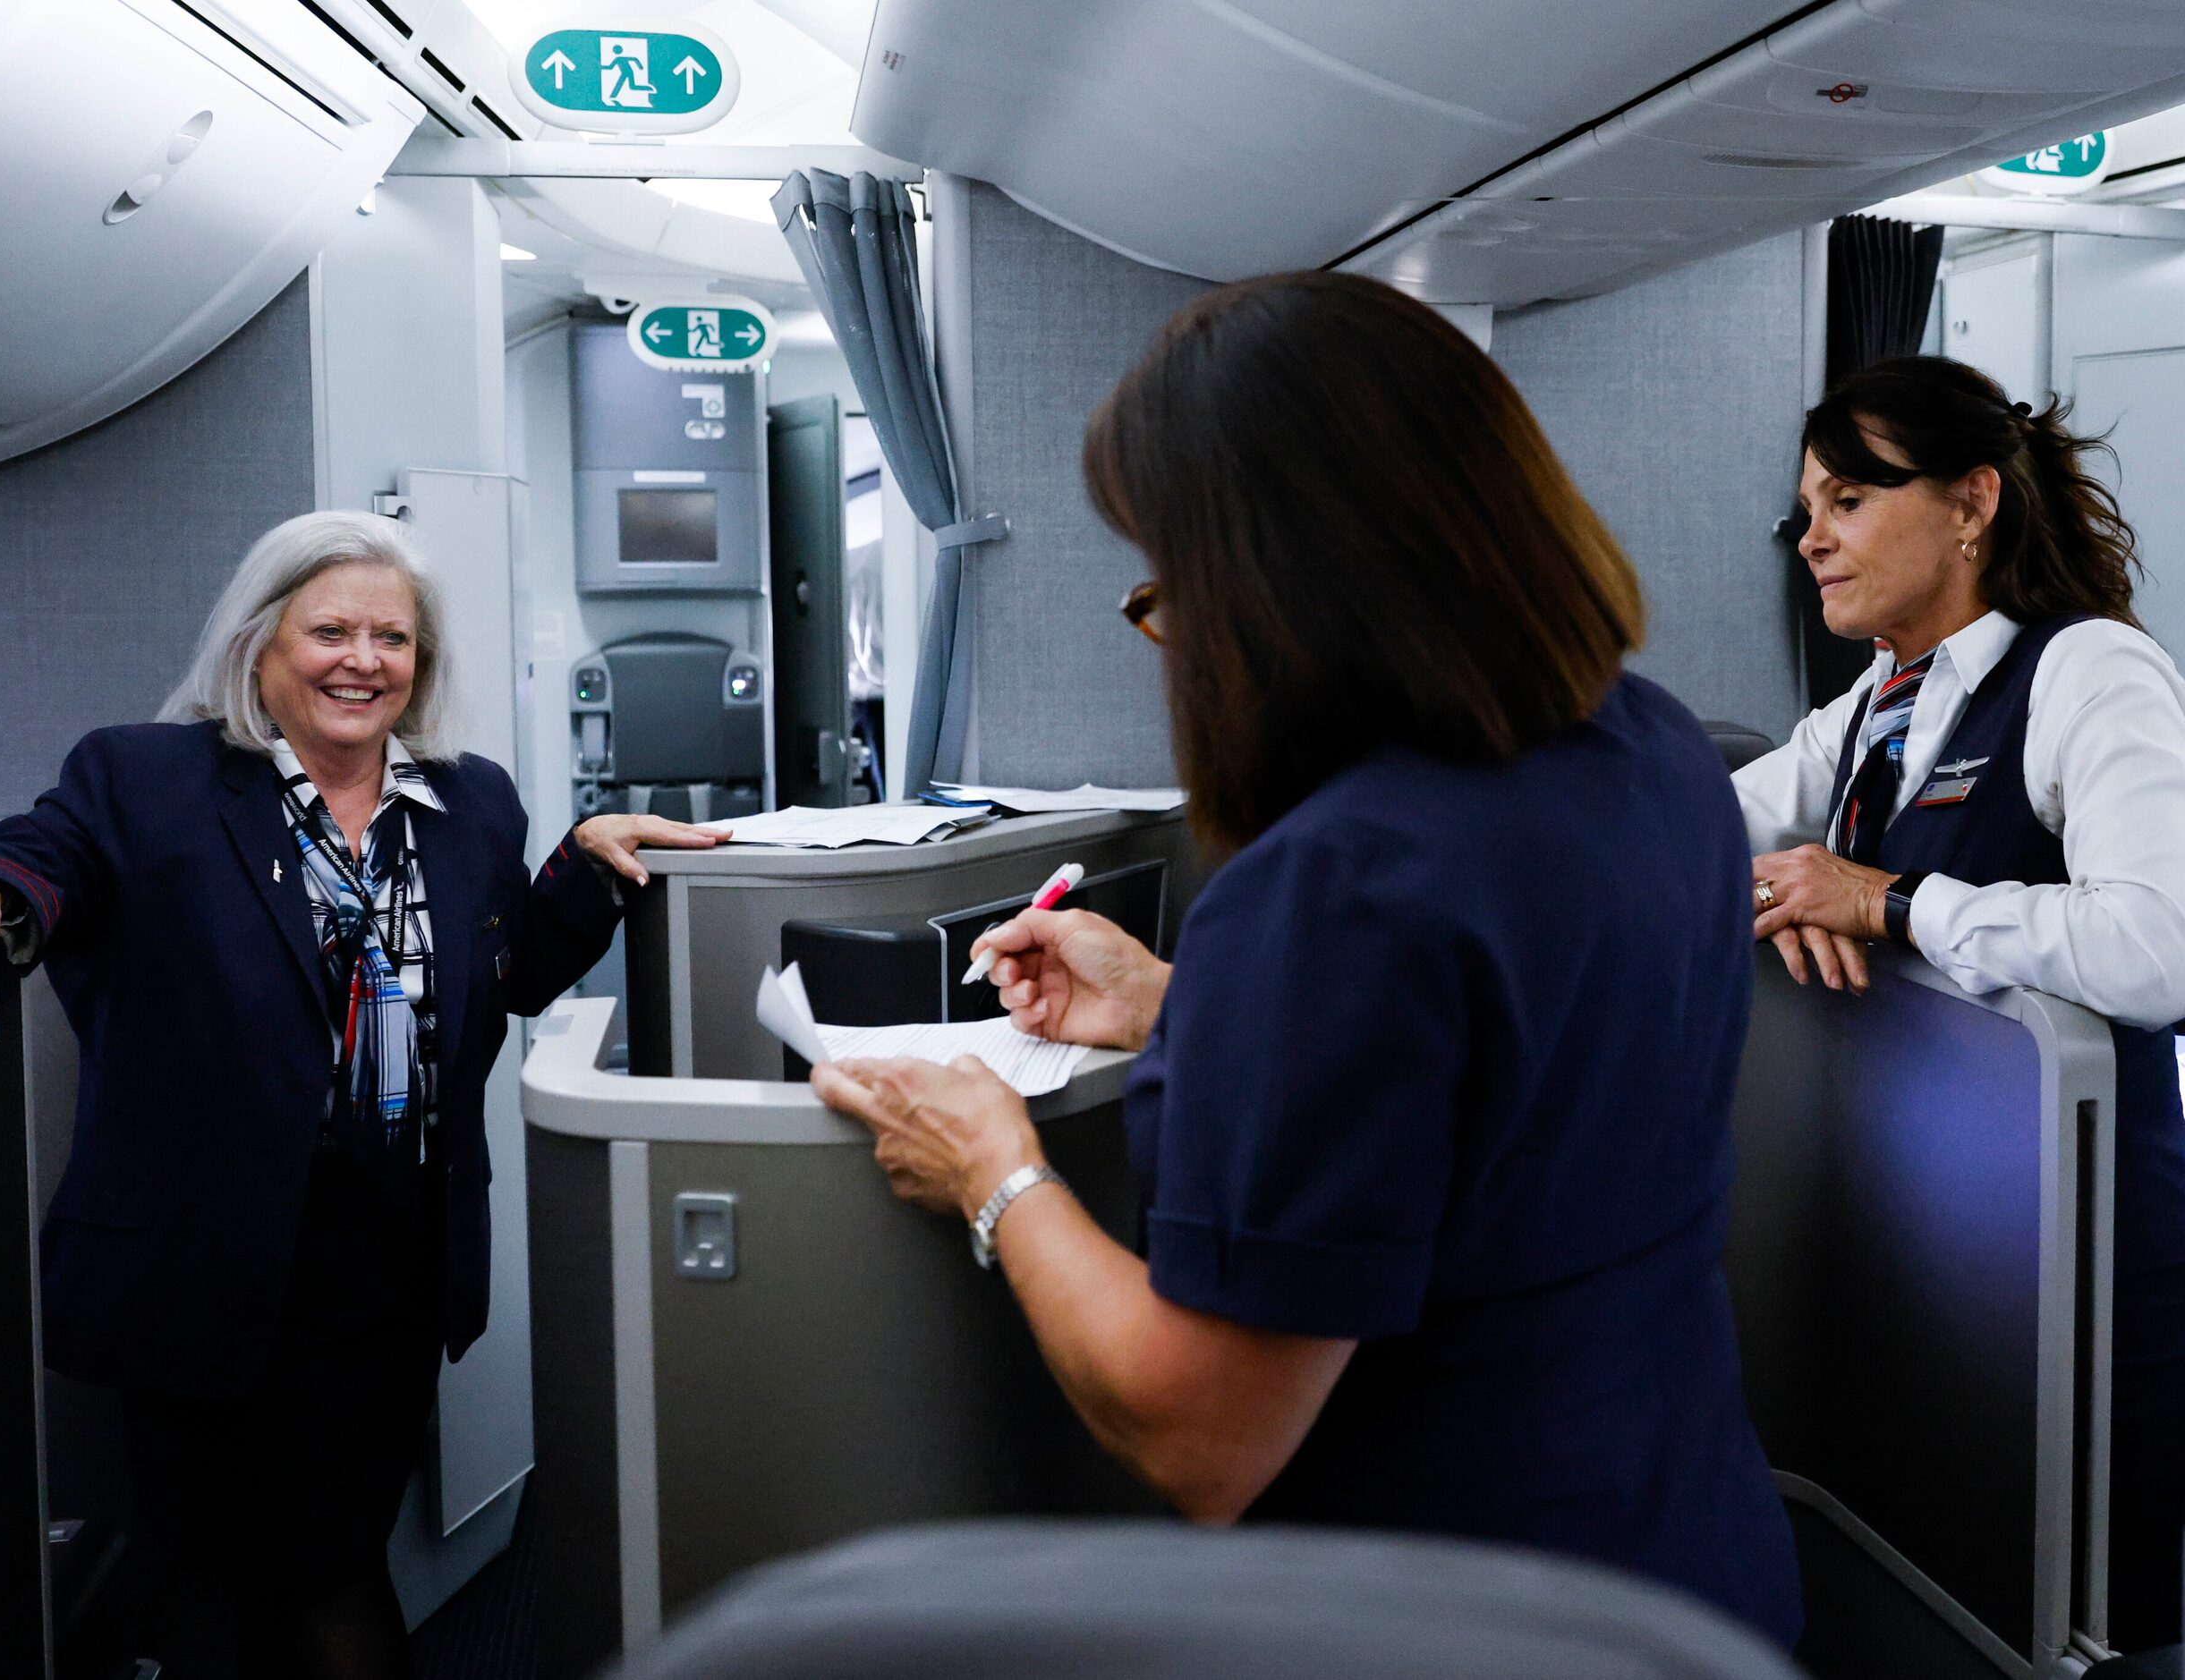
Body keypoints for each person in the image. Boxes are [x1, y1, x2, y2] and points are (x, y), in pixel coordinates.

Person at [808, 271, 1804, 1645]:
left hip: (1449, 1611)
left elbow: (1200, 1433)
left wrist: (994, 1167)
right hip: (1677, 1564)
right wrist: (1184, 1013)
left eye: (1167, 585)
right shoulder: (1655, 747)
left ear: (1278, 586)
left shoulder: (1334, 883)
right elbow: (1512, 1093)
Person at [0, 511, 726, 1678]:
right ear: (260, 646)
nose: (363, 659)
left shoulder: (472, 804)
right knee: (251, 1580)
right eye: (330, 630)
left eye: (391, 637)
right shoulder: (147, 777)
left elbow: (501, 974)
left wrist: (582, 862)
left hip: (388, 1276)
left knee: (315, 1558)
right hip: (204, 1268)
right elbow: (47, 855)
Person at [1738, 355, 2185, 1648]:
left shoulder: (2089, 672)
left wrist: (1887, 901)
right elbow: (1708, 831)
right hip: (1953, 1257)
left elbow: (2160, 947)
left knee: (2099, 1619)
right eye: (1805, 509)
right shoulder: (1876, 701)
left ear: (1972, 502)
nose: (1811, 538)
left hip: (2094, 1269)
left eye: (1849, 498)